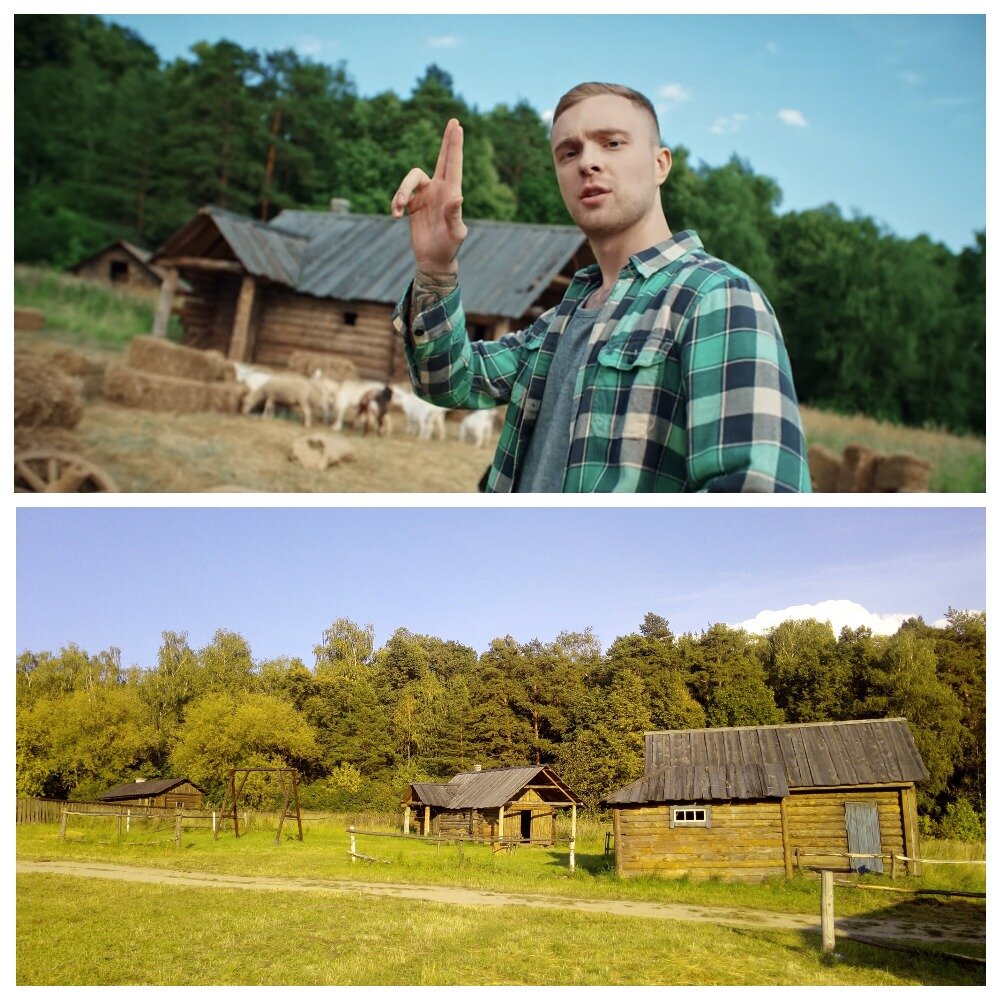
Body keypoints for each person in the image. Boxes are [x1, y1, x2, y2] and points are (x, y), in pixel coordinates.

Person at [390, 81, 810, 492]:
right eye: (569, 152)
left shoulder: (716, 298)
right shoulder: (558, 323)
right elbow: (449, 380)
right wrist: (436, 265)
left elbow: (759, 492)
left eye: (611, 143)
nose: (586, 162)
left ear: (660, 164)